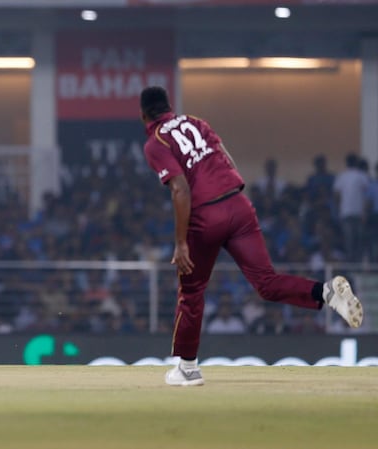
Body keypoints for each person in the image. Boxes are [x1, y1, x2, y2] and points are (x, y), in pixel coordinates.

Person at [138, 86, 363, 387]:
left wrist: (180, 243)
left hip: (206, 215)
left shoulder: (155, 143)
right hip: (238, 203)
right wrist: (233, 193)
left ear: (143, 116)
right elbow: (225, 155)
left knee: (191, 293)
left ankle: (188, 368)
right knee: (266, 282)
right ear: (169, 106)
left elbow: (180, 189)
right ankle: (327, 293)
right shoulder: (196, 121)